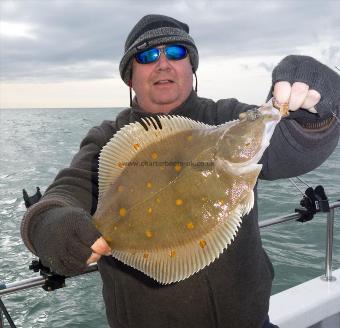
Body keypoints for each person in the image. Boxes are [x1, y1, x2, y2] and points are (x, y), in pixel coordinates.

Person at [21, 14, 340, 328]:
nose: (162, 63)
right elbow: (64, 193)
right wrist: (51, 227)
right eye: (147, 56)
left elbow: (289, 147)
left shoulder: (226, 117)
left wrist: (313, 115)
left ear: (192, 67)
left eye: (175, 52)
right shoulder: (107, 139)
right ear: (130, 77)